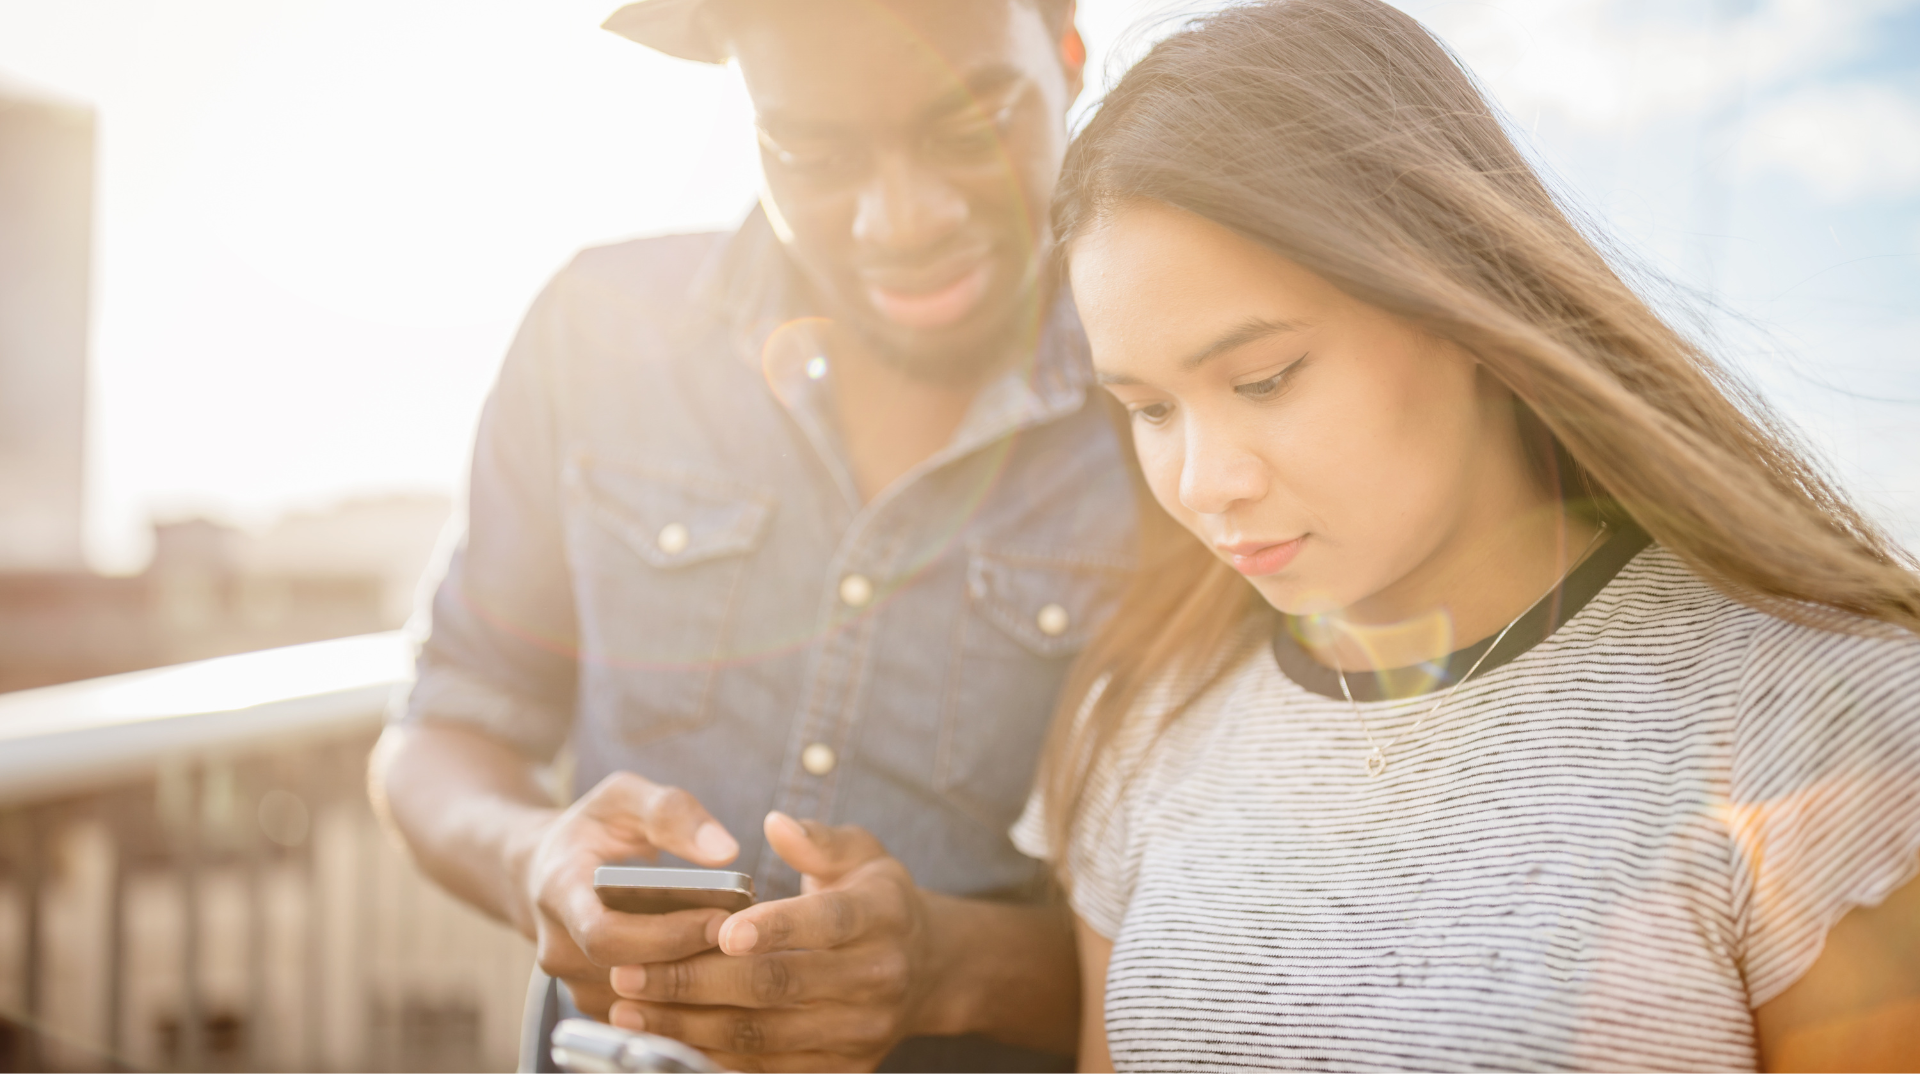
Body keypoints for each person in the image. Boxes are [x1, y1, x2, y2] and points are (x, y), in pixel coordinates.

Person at [1012, 1, 1920, 1070]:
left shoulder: (1814, 712)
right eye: (1149, 409)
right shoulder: (1148, 715)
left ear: (1456, 300)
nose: (1207, 483)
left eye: (1266, 379)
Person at [371, 1, 1129, 1070]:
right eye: (811, 153)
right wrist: (531, 855)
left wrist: (951, 968)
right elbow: (442, 731)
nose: (897, 221)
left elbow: (1206, 939)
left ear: (1067, 61)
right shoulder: (595, 333)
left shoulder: (1168, 409)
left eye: (969, 131)